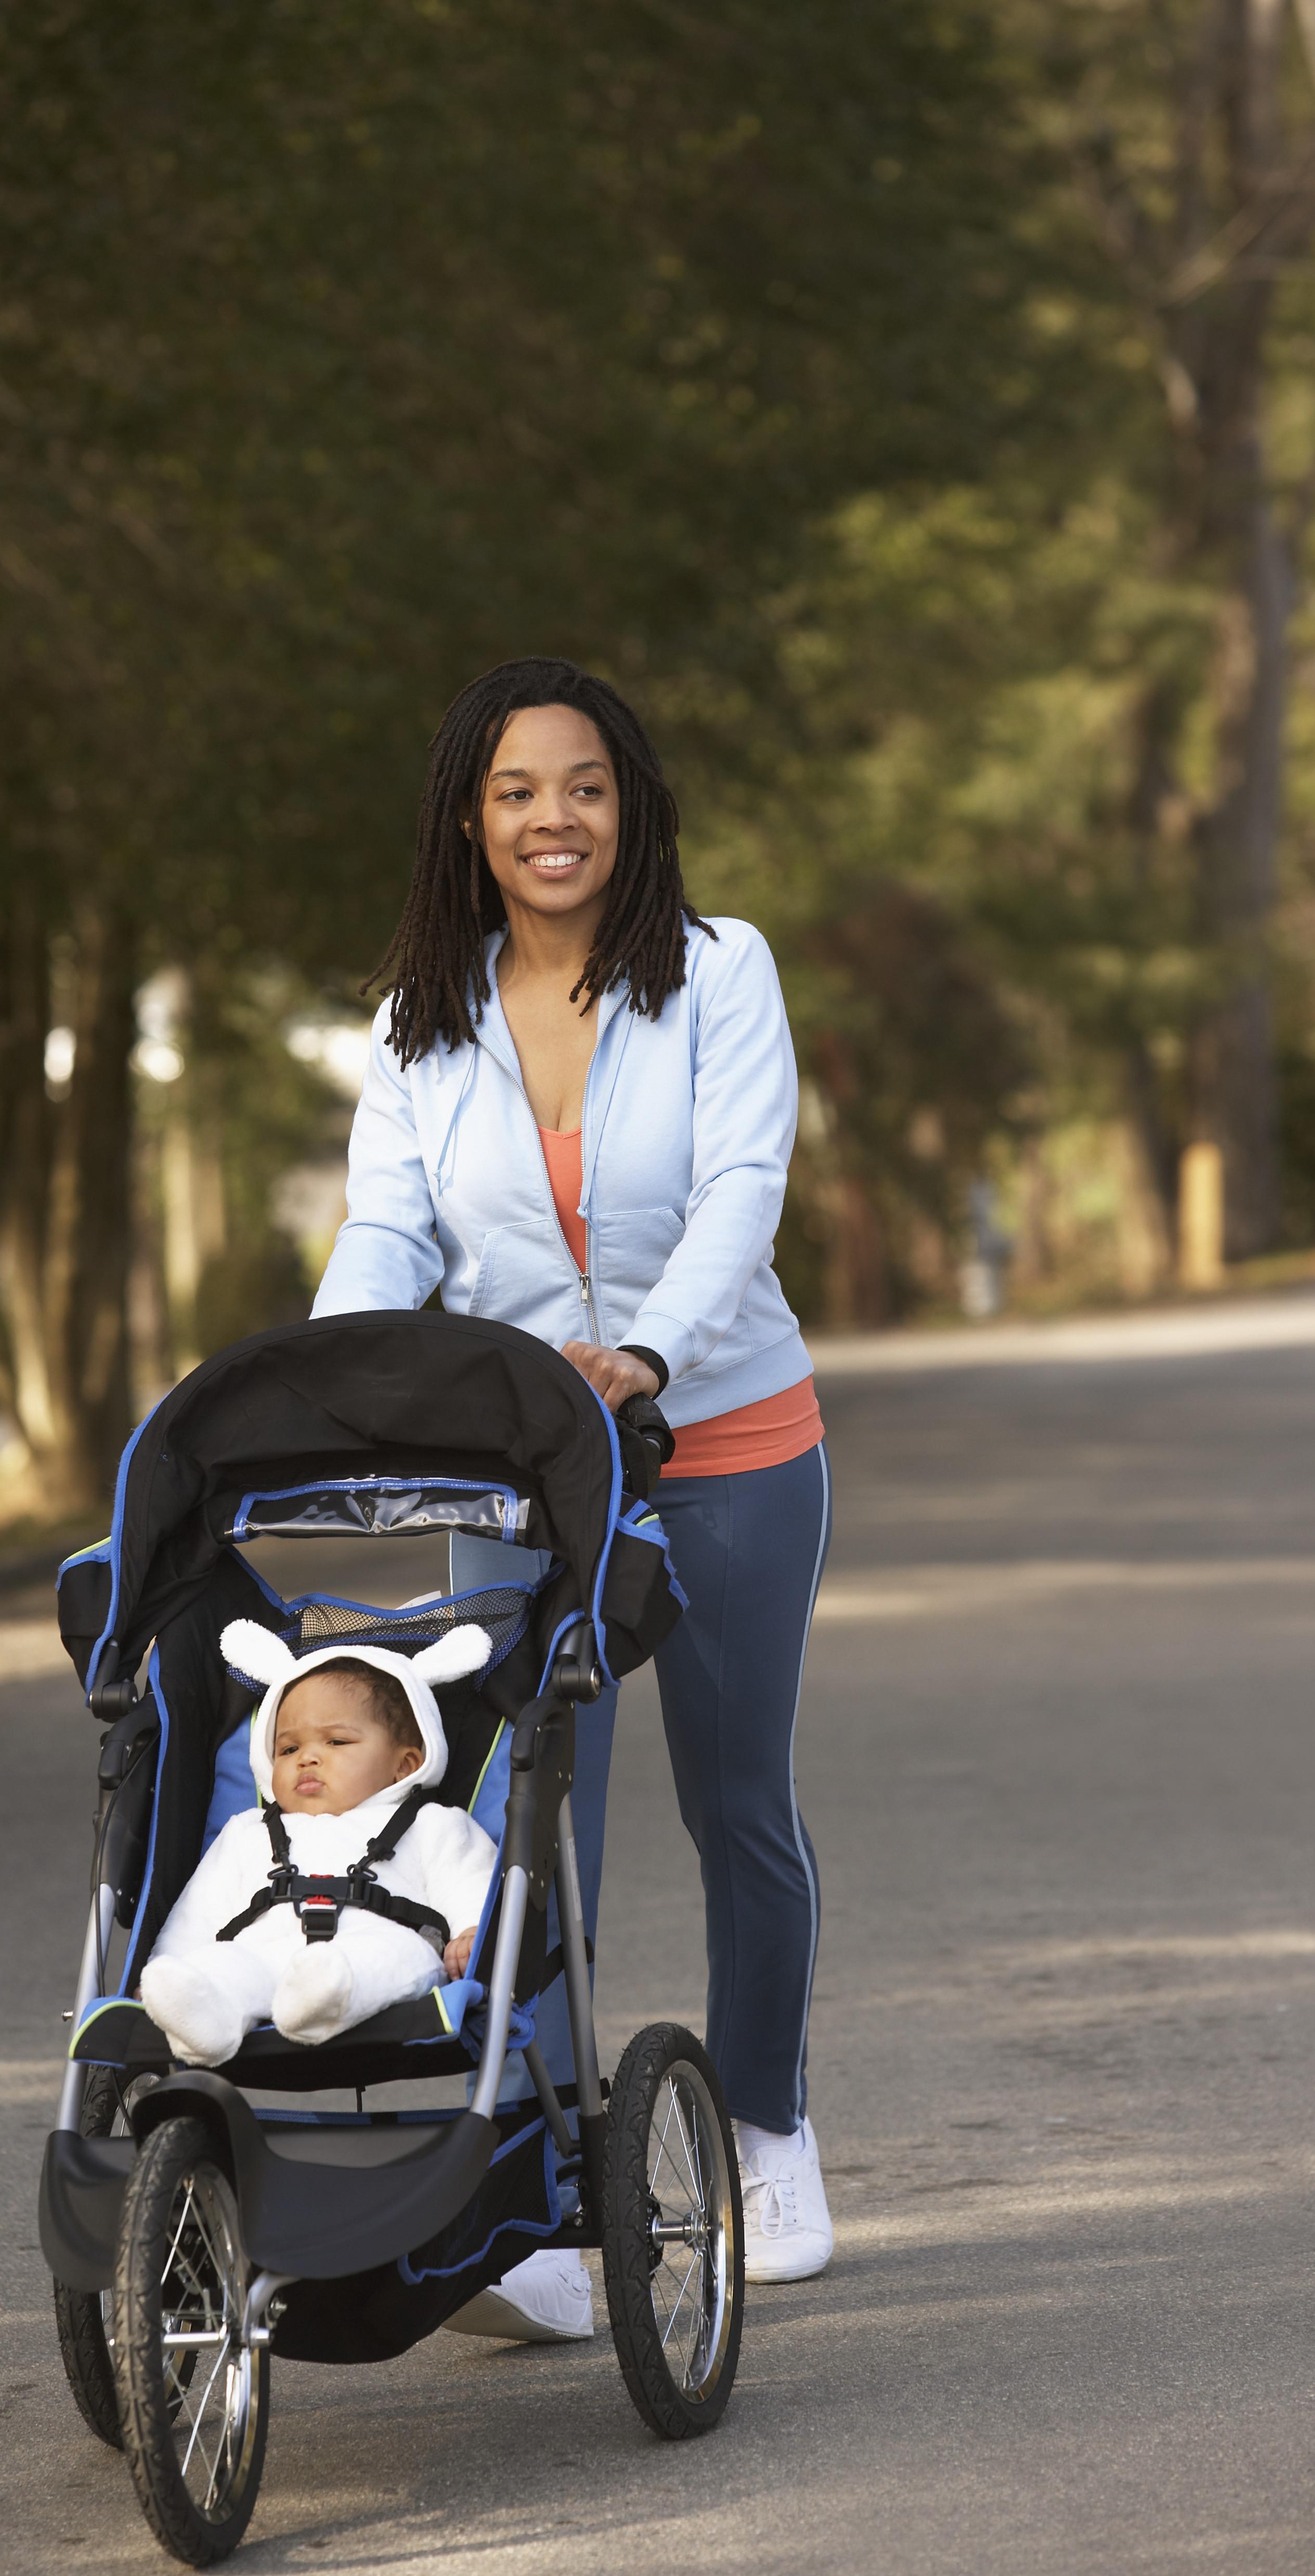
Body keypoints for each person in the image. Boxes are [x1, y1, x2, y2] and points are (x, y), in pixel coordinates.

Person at [311, 654, 835, 2338]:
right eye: (521, 790)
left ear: (633, 807)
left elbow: (745, 1187)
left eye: (587, 787)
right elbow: (392, 1229)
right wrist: (330, 1370)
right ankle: (534, 2192)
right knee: (530, 1822)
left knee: (737, 1801)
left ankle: (765, 2124)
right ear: (473, 817)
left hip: (729, 1432)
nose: (557, 819)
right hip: (527, 1466)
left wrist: (658, 1357)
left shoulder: (721, 971)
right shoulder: (421, 1010)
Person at [140, 1625, 498, 2063]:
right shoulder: (248, 1831)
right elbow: (199, 1912)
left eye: (337, 1741)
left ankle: (329, 1991)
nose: (307, 1757)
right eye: (288, 1750)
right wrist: (175, 1962)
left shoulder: (432, 1825)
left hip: (385, 1948)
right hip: (266, 1954)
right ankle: (206, 2016)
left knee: (397, 1956)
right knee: (228, 1968)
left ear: (405, 1765)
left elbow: (471, 1881)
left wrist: (470, 1933)